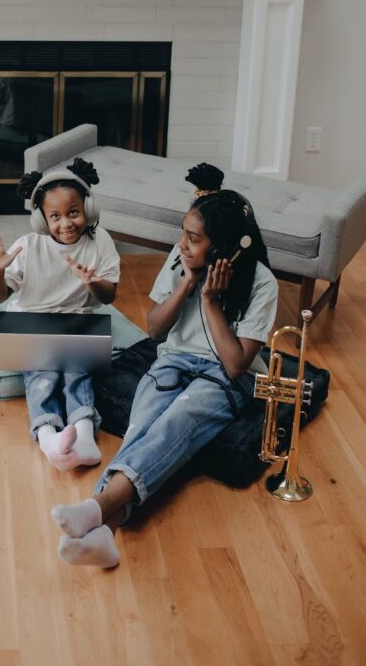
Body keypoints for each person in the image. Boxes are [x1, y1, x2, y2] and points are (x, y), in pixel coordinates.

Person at [51, 162, 278, 568]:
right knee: (143, 428)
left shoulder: (261, 282)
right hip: (172, 360)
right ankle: (107, 528)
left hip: (224, 378)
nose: (181, 244)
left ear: (224, 247)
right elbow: (154, 330)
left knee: (178, 422)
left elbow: (236, 365)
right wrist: (189, 283)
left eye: (193, 238)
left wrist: (209, 299)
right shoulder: (180, 258)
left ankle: (96, 507)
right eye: (183, 234)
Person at [0, 158, 120, 471]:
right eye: (55, 216)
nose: (66, 223)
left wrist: (93, 282)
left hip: (78, 322)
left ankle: (83, 436)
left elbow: (110, 297)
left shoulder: (101, 241)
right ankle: (49, 438)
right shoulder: (27, 245)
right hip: (30, 321)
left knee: (76, 373)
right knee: (43, 376)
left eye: (73, 212)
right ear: (41, 219)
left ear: (89, 209)